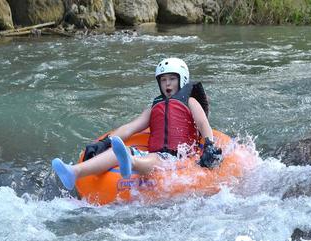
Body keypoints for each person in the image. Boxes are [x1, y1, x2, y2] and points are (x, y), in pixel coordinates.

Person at [52, 58, 222, 190]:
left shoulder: (190, 101)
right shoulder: (154, 107)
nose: (167, 83)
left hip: (181, 159)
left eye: (171, 79)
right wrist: (103, 143)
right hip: (158, 155)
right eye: (163, 80)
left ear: (182, 79)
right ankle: (74, 172)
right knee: (121, 151)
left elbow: (202, 123)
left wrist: (209, 145)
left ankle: (131, 163)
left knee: (154, 158)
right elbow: (129, 128)